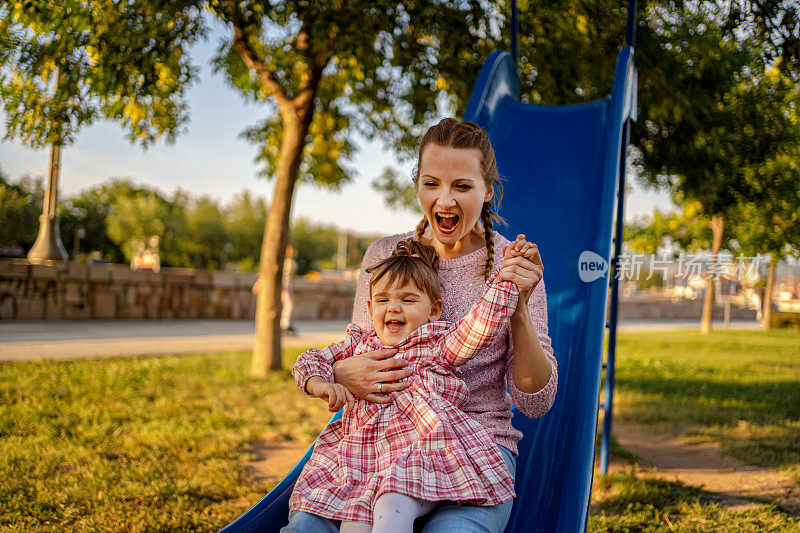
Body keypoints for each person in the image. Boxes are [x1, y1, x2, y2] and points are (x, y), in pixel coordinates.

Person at [282, 118, 557, 533]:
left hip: (474, 446)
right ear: (417, 185)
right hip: (375, 444)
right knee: (305, 529)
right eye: (431, 184)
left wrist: (517, 308)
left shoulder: (513, 268)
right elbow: (360, 350)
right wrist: (335, 372)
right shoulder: (385, 256)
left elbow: (536, 403)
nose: (444, 200)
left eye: (462, 186)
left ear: (488, 190)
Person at [290, 238, 534, 532]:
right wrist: (320, 383)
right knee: (353, 521)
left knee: (392, 503)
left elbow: (480, 324)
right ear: (370, 307)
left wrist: (506, 278)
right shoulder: (357, 345)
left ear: (433, 310)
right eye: (383, 300)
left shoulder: (435, 344)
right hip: (364, 458)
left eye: (407, 300)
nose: (393, 308)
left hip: (422, 452)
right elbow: (310, 359)